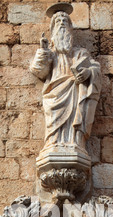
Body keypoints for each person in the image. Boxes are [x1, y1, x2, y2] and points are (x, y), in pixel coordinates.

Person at [30, 7, 101, 154]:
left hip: (75, 93)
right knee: (54, 120)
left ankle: (76, 143)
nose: (62, 23)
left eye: (65, 21)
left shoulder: (80, 53)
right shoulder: (50, 53)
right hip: (55, 95)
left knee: (76, 115)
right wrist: (43, 51)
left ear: (70, 28)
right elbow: (39, 71)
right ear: (53, 28)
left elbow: (95, 67)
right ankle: (53, 143)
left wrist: (88, 73)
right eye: (58, 21)